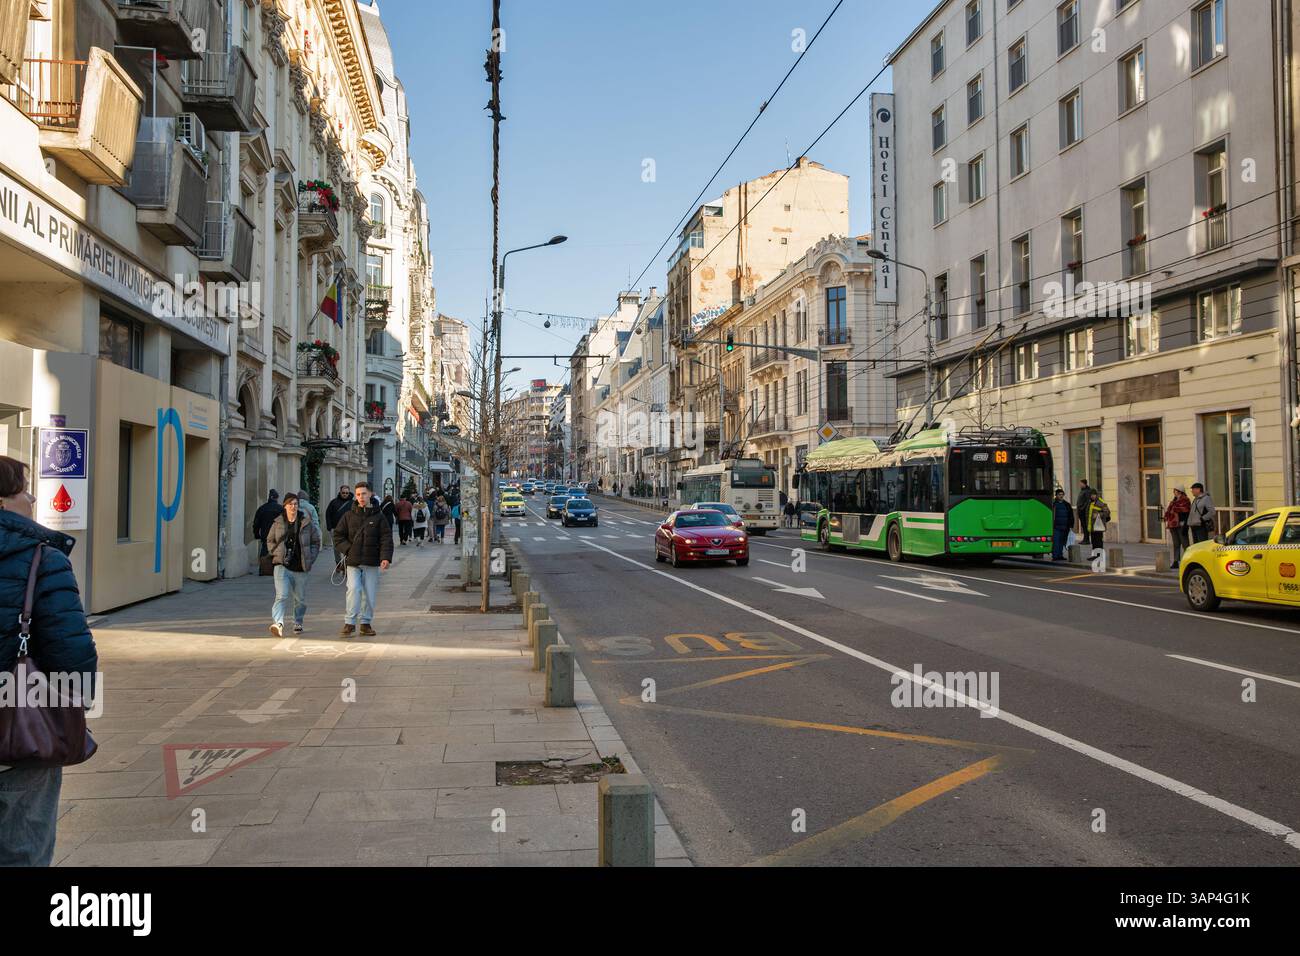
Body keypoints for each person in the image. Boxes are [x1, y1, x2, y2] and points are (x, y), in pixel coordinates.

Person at [0, 455, 98, 867]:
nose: (33, 497)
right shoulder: (42, 559)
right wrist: (78, 703)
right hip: (17, 732)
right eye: (23, 489)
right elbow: (69, 651)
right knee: (22, 850)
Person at [332, 482, 393, 638]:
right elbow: (338, 536)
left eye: (364, 494)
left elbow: (386, 538)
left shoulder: (379, 516)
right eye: (358, 494)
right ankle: (350, 622)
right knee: (353, 589)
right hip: (353, 562)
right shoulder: (348, 515)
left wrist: (385, 557)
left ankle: (365, 623)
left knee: (369, 594)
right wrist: (348, 549)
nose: (361, 497)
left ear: (370, 494)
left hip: (371, 562)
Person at [265, 492, 321, 636]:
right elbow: (270, 540)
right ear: (285, 506)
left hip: (300, 566)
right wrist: (275, 553)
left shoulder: (305, 522)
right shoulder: (277, 522)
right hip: (281, 565)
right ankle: (278, 623)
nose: (293, 507)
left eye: (295, 504)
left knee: (300, 599)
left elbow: (316, 541)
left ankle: (298, 621)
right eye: (290, 504)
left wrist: (311, 557)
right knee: (281, 596)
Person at [324, 484, 353, 565]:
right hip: (335, 529)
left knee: (347, 547)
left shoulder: (353, 503)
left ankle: (346, 564)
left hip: (348, 530)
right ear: (340, 492)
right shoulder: (333, 502)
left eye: (347, 493)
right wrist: (329, 527)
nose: (345, 494)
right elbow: (328, 514)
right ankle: (338, 563)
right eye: (343, 492)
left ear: (349, 493)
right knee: (336, 548)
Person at [1164, 486, 1191, 569]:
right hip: (1173, 525)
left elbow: (1186, 510)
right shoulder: (1173, 501)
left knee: (1185, 543)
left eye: (1176, 491)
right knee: (1176, 544)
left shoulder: (1185, 500)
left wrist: (1175, 508)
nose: (1174, 492)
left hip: (1181, 524)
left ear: (1180, 491)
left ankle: (1188, 561)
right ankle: (1176, 561)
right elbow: (1169, 510)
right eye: (1174, 491)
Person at [252, 489, 282, 557]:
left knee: (264, 558)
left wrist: (256, 534)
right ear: (276, 498)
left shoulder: (262, 508)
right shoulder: (281, 509)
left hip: (266, 537)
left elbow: (256, 524)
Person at [1051, 488, 1075, 561]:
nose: (1061, 496)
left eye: (1062, 495)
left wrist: (1071, 525)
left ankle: (1060, 555)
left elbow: (1071, 515)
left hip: (1065, 527)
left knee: (1062, 541)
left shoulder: (1067, 504)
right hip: (1056, 527)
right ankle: (1055, 556)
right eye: (1059, 495)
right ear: (1056, 495)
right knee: (1056, 542)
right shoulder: (1053, 504)